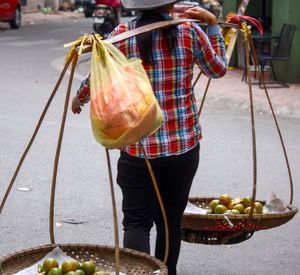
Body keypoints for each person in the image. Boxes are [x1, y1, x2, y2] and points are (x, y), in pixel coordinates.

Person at [72, 1, 227, 274]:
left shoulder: (121, 34)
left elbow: (100, 73)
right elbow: (218, 69)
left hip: (137, 148)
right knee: (169, 222)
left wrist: (79, 97)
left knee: (136, 222)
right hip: (183, 147)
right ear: (169, 4)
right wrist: (213, 24)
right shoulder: (191, 31)